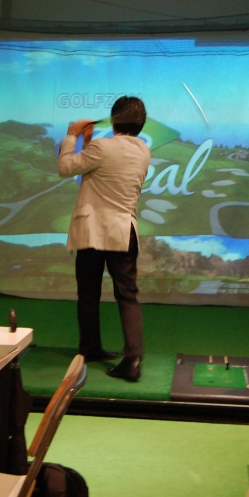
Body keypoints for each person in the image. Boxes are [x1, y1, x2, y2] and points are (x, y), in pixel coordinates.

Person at [58, 97, 150, 382]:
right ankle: (133, 358)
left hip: (92, 230)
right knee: (127, 295)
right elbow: (99, 167)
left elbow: (66, 168)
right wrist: (88, 142)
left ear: (114, 120)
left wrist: (72, 135)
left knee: (88, 293)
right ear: (140, 123)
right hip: (123, 231)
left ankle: (90, 348)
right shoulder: (143, 150)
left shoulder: (102, 147)